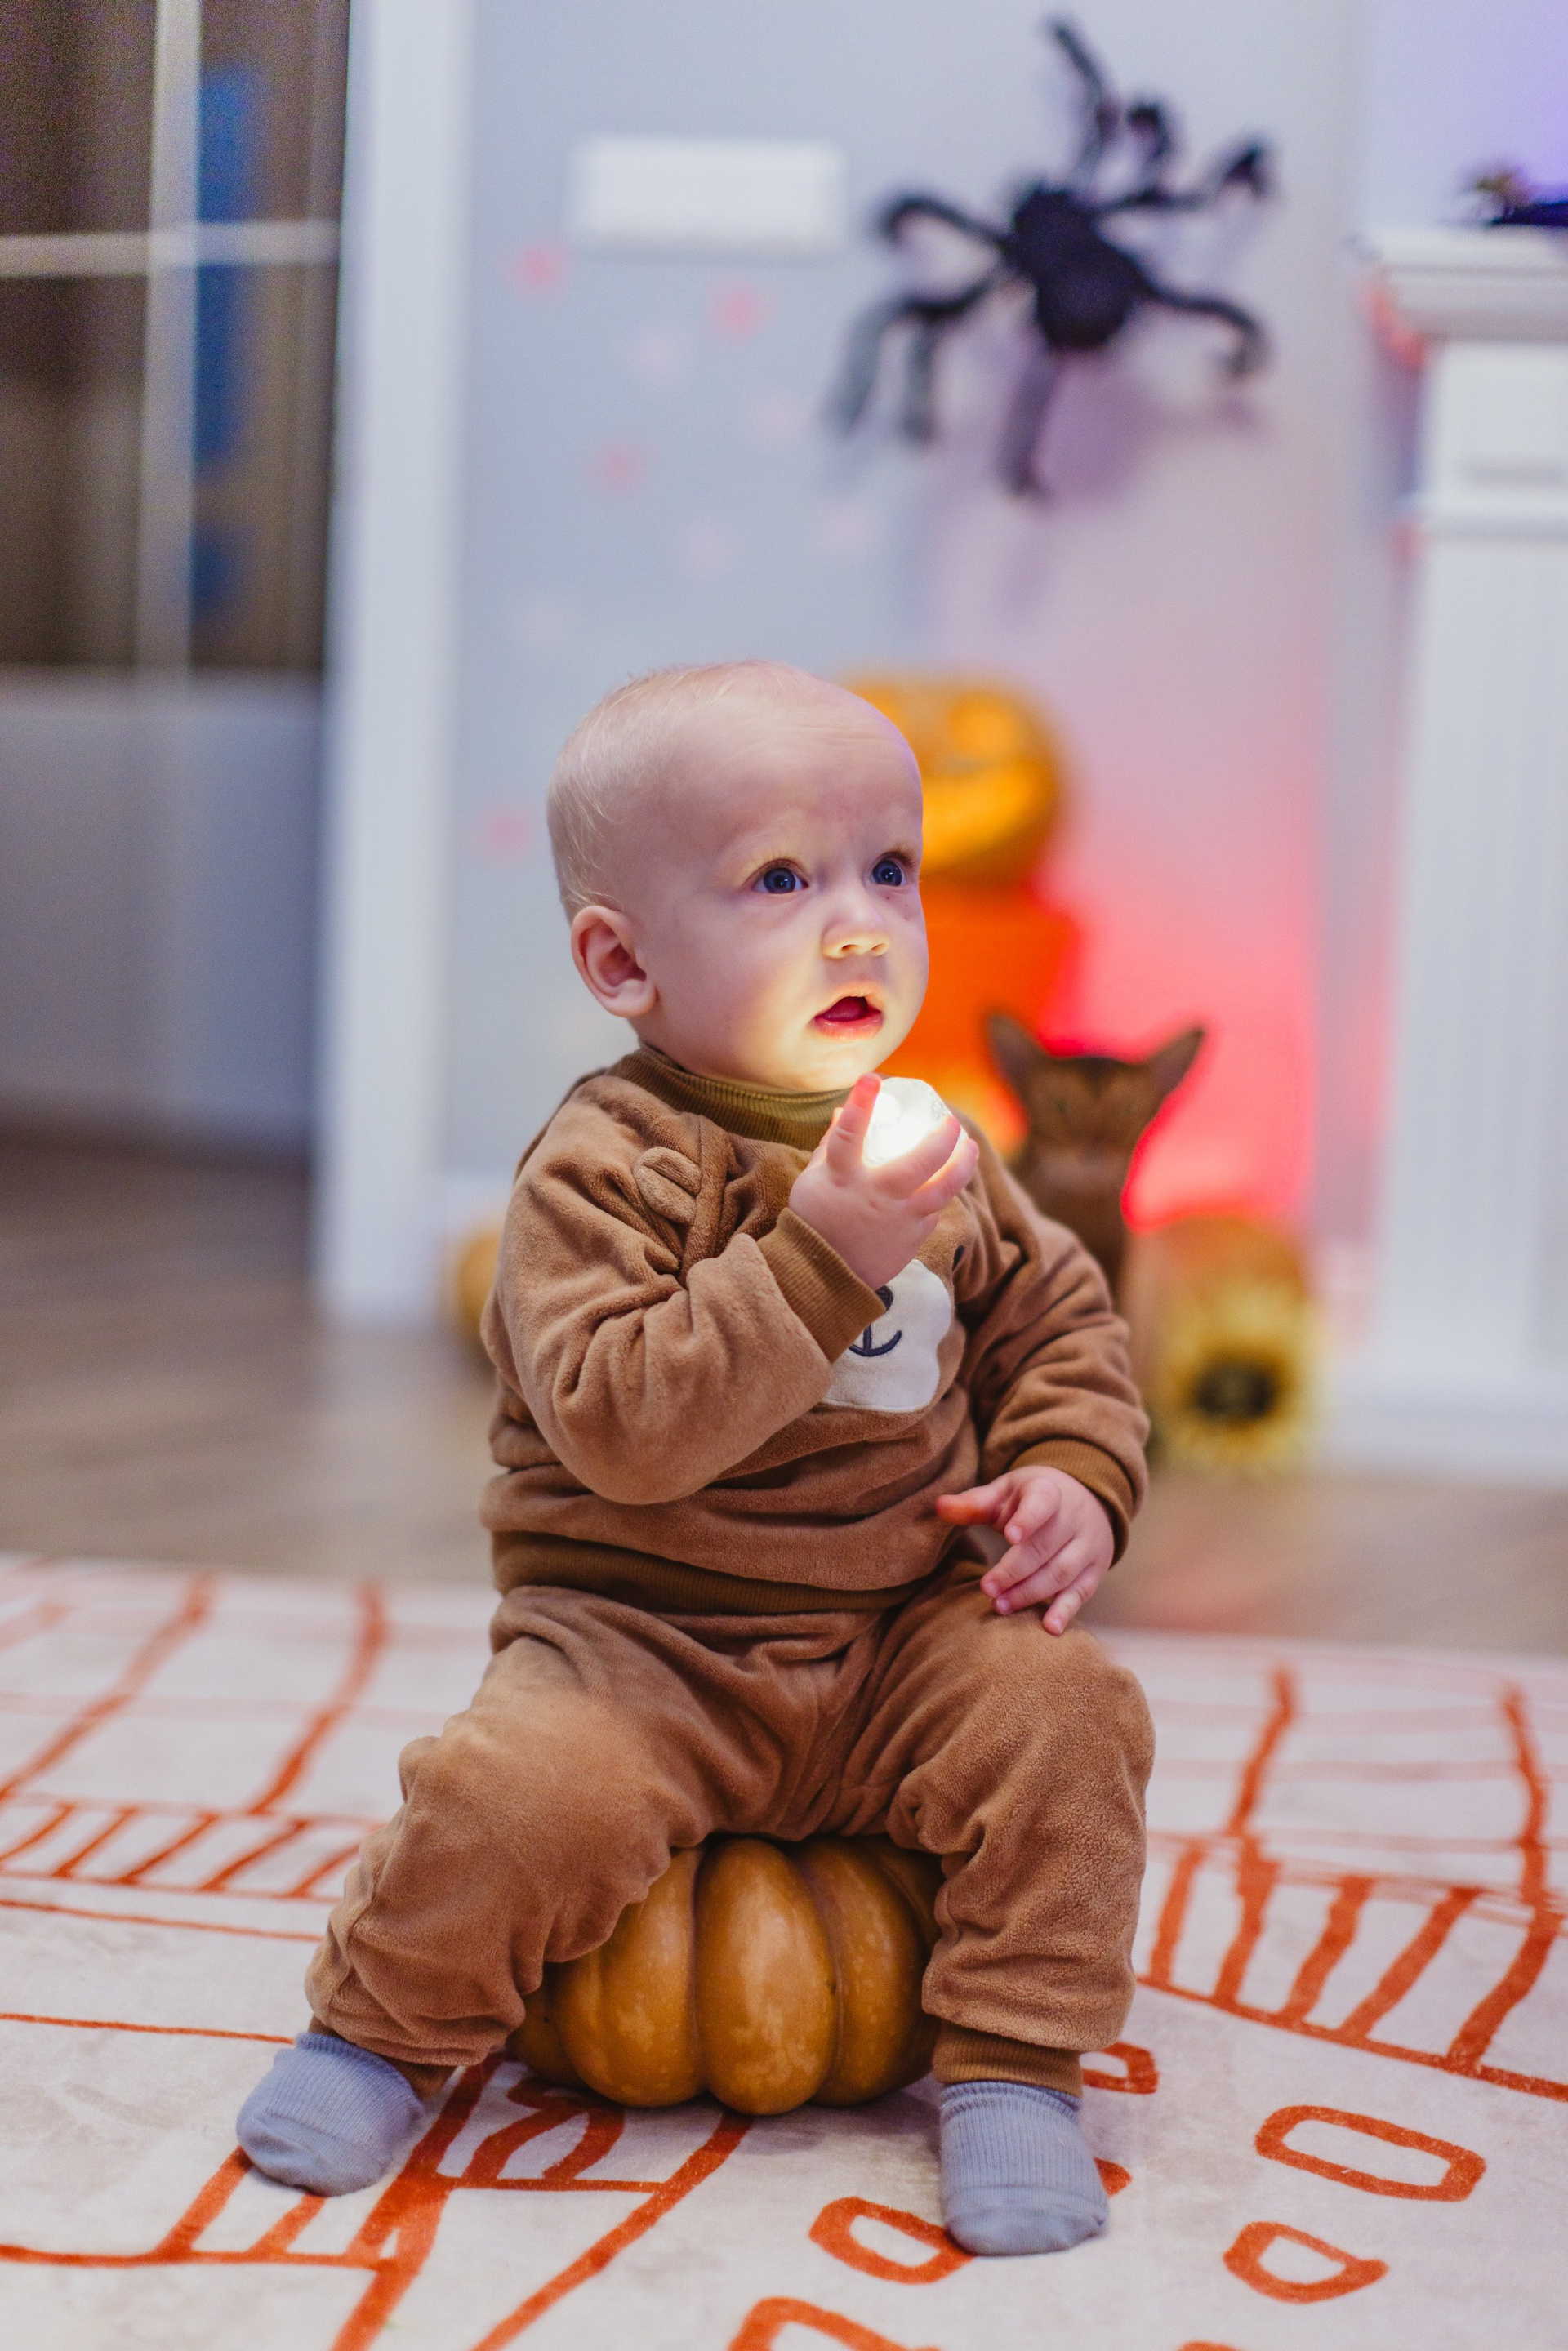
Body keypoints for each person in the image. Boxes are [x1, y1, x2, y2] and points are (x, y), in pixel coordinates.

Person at [237, 660, 1153, 2257]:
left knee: (1071, 1719)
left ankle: (1016, 2069)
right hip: (645, 1646)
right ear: (623, 960)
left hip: (898, 1635)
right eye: (783, 880)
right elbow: (621, 1425)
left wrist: (1074, 1470)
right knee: (512, 1800)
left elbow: (1057, 1321)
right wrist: (826, 1253)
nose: (858, 925)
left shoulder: (940, 1148)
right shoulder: (602, 1169)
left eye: (889, 870)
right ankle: (376, 2034)